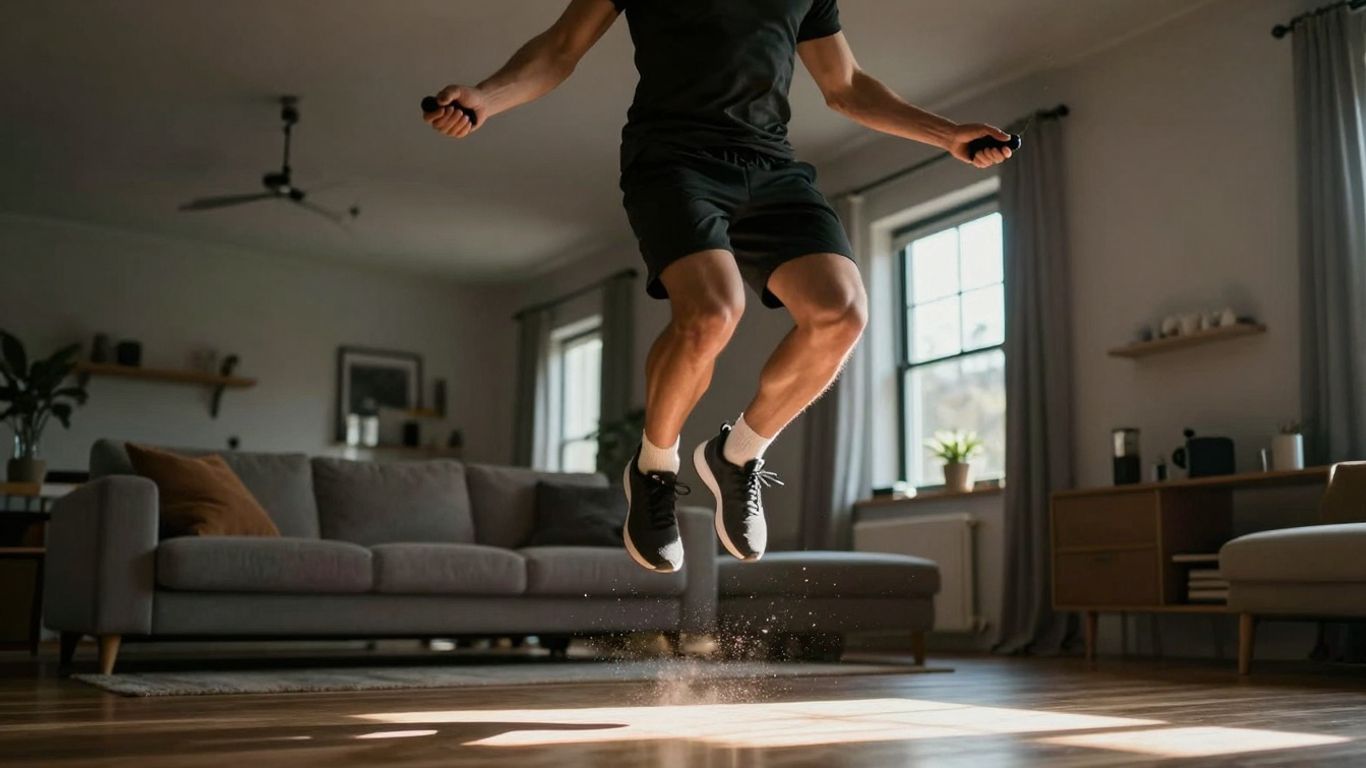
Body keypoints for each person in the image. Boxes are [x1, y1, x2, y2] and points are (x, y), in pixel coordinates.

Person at [424, 0, 1013, 573]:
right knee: (712, 311)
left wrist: (947, 134)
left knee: (842, 312)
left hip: (772, 166)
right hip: (673, 161)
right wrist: (485, 97)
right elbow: (559, 48)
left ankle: (739, 454)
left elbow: (847, 85)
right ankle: (653, 468)